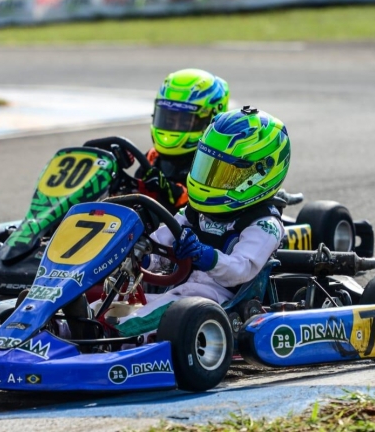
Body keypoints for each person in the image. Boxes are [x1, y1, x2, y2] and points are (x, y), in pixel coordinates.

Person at [117, 106, 291, 337]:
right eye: (209, 168)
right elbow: (159, 246)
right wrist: (140, 254)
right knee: (101, 309)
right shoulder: (195, 212)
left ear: (260, 173)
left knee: (124, 328)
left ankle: (106, 344)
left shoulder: (264, 224)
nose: (212, 180)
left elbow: (241, 269)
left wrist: (205, 256)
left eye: (226, 174)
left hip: (216, 305)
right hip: (179, 296)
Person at [136, 68, 230, 214]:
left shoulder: (215, 162)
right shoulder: (152, 157)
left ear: (210, 119)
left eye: (184, 121)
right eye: (169, 118)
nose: (173, 126)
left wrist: (166, 188)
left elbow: (197, 200)